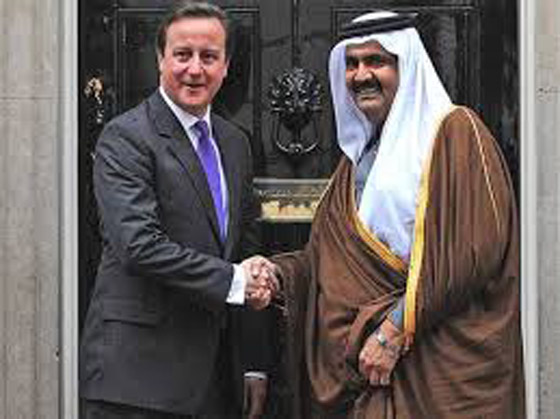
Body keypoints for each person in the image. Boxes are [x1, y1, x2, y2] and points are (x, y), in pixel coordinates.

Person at [268, 10, 524, 418]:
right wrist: (277, 273)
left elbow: (472, 254)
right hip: (368, 372)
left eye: (376, 61)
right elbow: (328, 263)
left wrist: (393, 330)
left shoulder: (456, 131)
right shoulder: (356, 161)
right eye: (352, 64)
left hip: (440, 369)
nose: (360, 75)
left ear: (407, 66)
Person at [79, 2, 277, 418]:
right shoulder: (126, 138)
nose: (195, 69)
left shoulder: (235, 143)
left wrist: (253, 362)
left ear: (226, 66)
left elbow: (244, 249)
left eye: (209, 56)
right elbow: (139, 245)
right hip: (137, 383)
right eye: (182, 55)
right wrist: (236, 281)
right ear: (160, 59)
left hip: (216, 382)